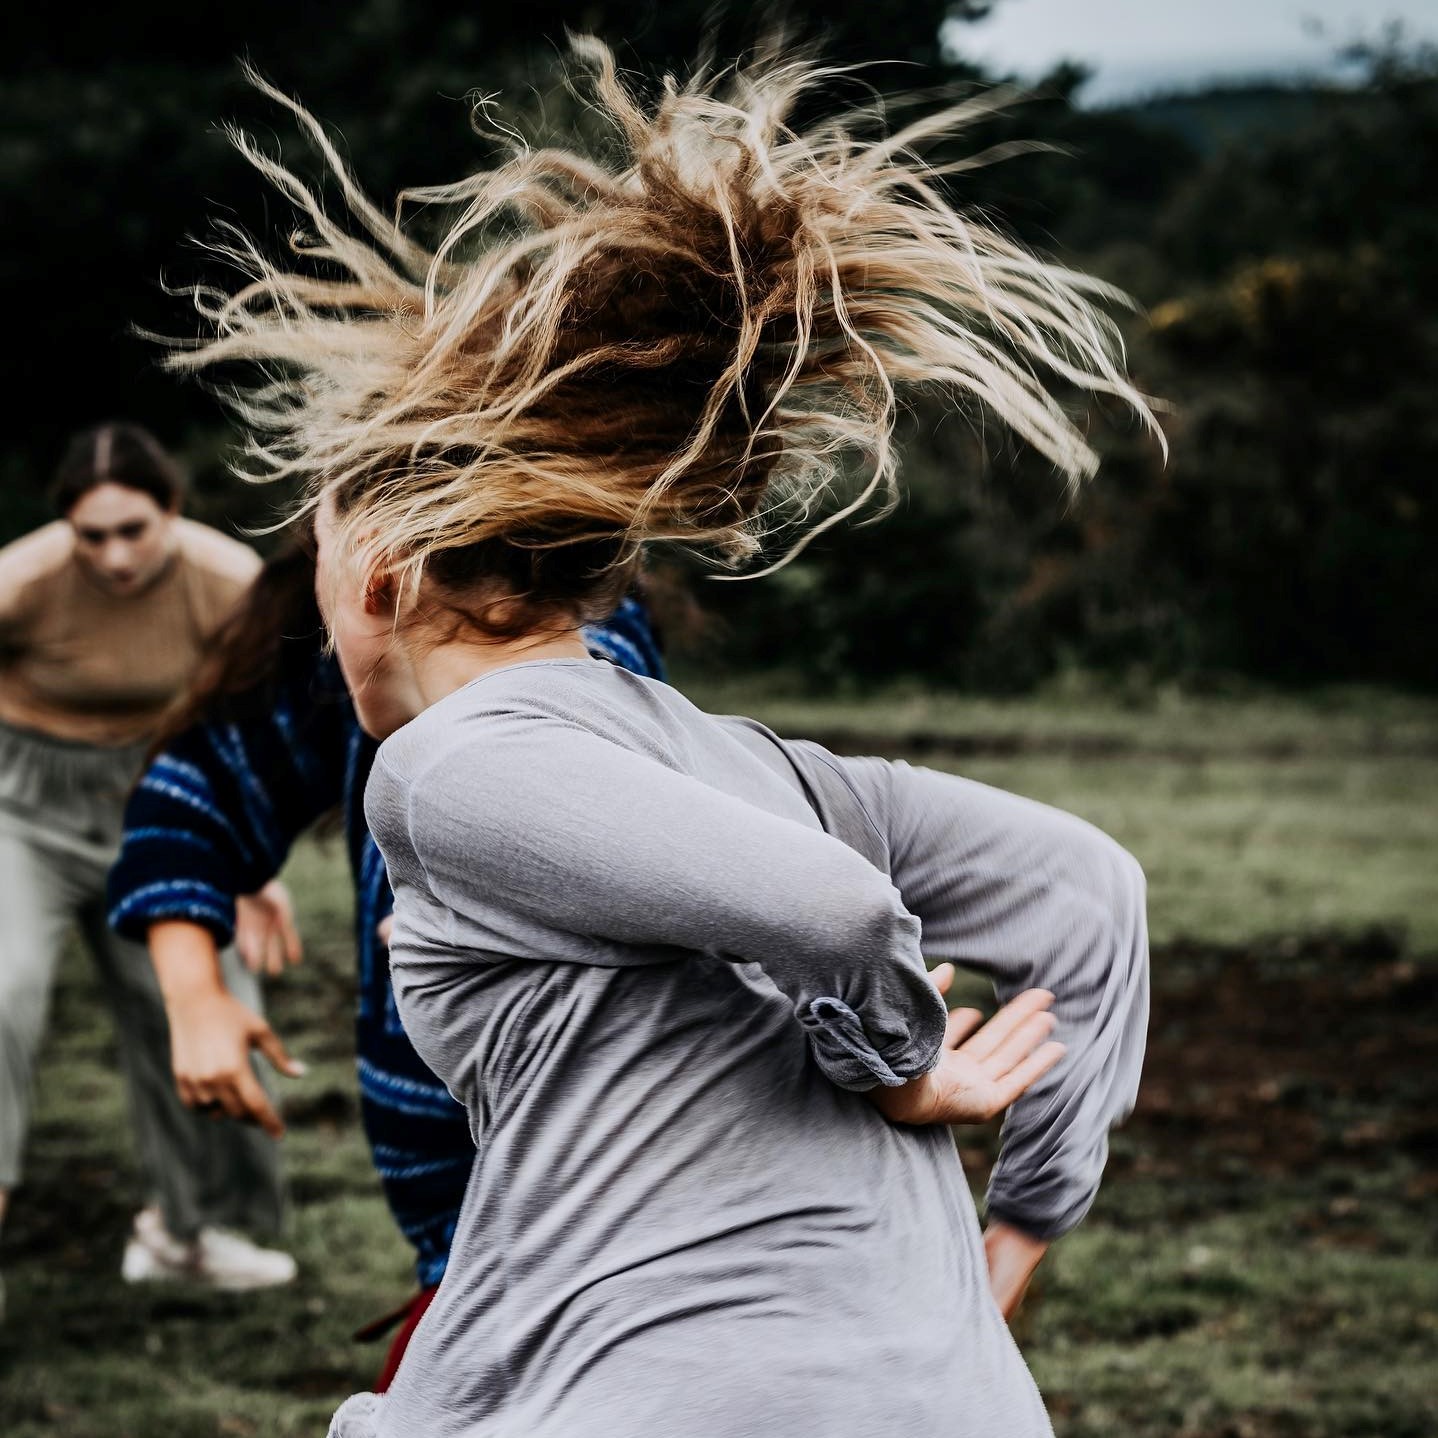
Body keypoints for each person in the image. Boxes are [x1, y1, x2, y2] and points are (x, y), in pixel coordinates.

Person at [170, 41, 1156, 1437]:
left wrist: (901, 1066)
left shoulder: (444, 767)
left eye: (318, 566)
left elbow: (833, 912)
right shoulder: (767, 771)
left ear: (380, 573)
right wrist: (1022, 1226)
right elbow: (1087, 893)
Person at [106, 537, 664, 1387]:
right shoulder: (361, 672)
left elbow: (820, 914)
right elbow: (196, 794)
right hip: (454, 1237)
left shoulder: (597, 668)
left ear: (385, 571)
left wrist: (503, 885)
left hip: (604, 1230)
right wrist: (193, 995)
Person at [0, 423, 298, 1305]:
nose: (116, 555)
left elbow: (253, 723)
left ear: (172, 508)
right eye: (92, 536)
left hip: (164, 800)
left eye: (133, 529)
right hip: (26, 810)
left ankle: (185, 1229)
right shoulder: (21, 582)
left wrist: (253, 864)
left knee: (202, 1008)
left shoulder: (226, 579)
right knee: (5, 990)